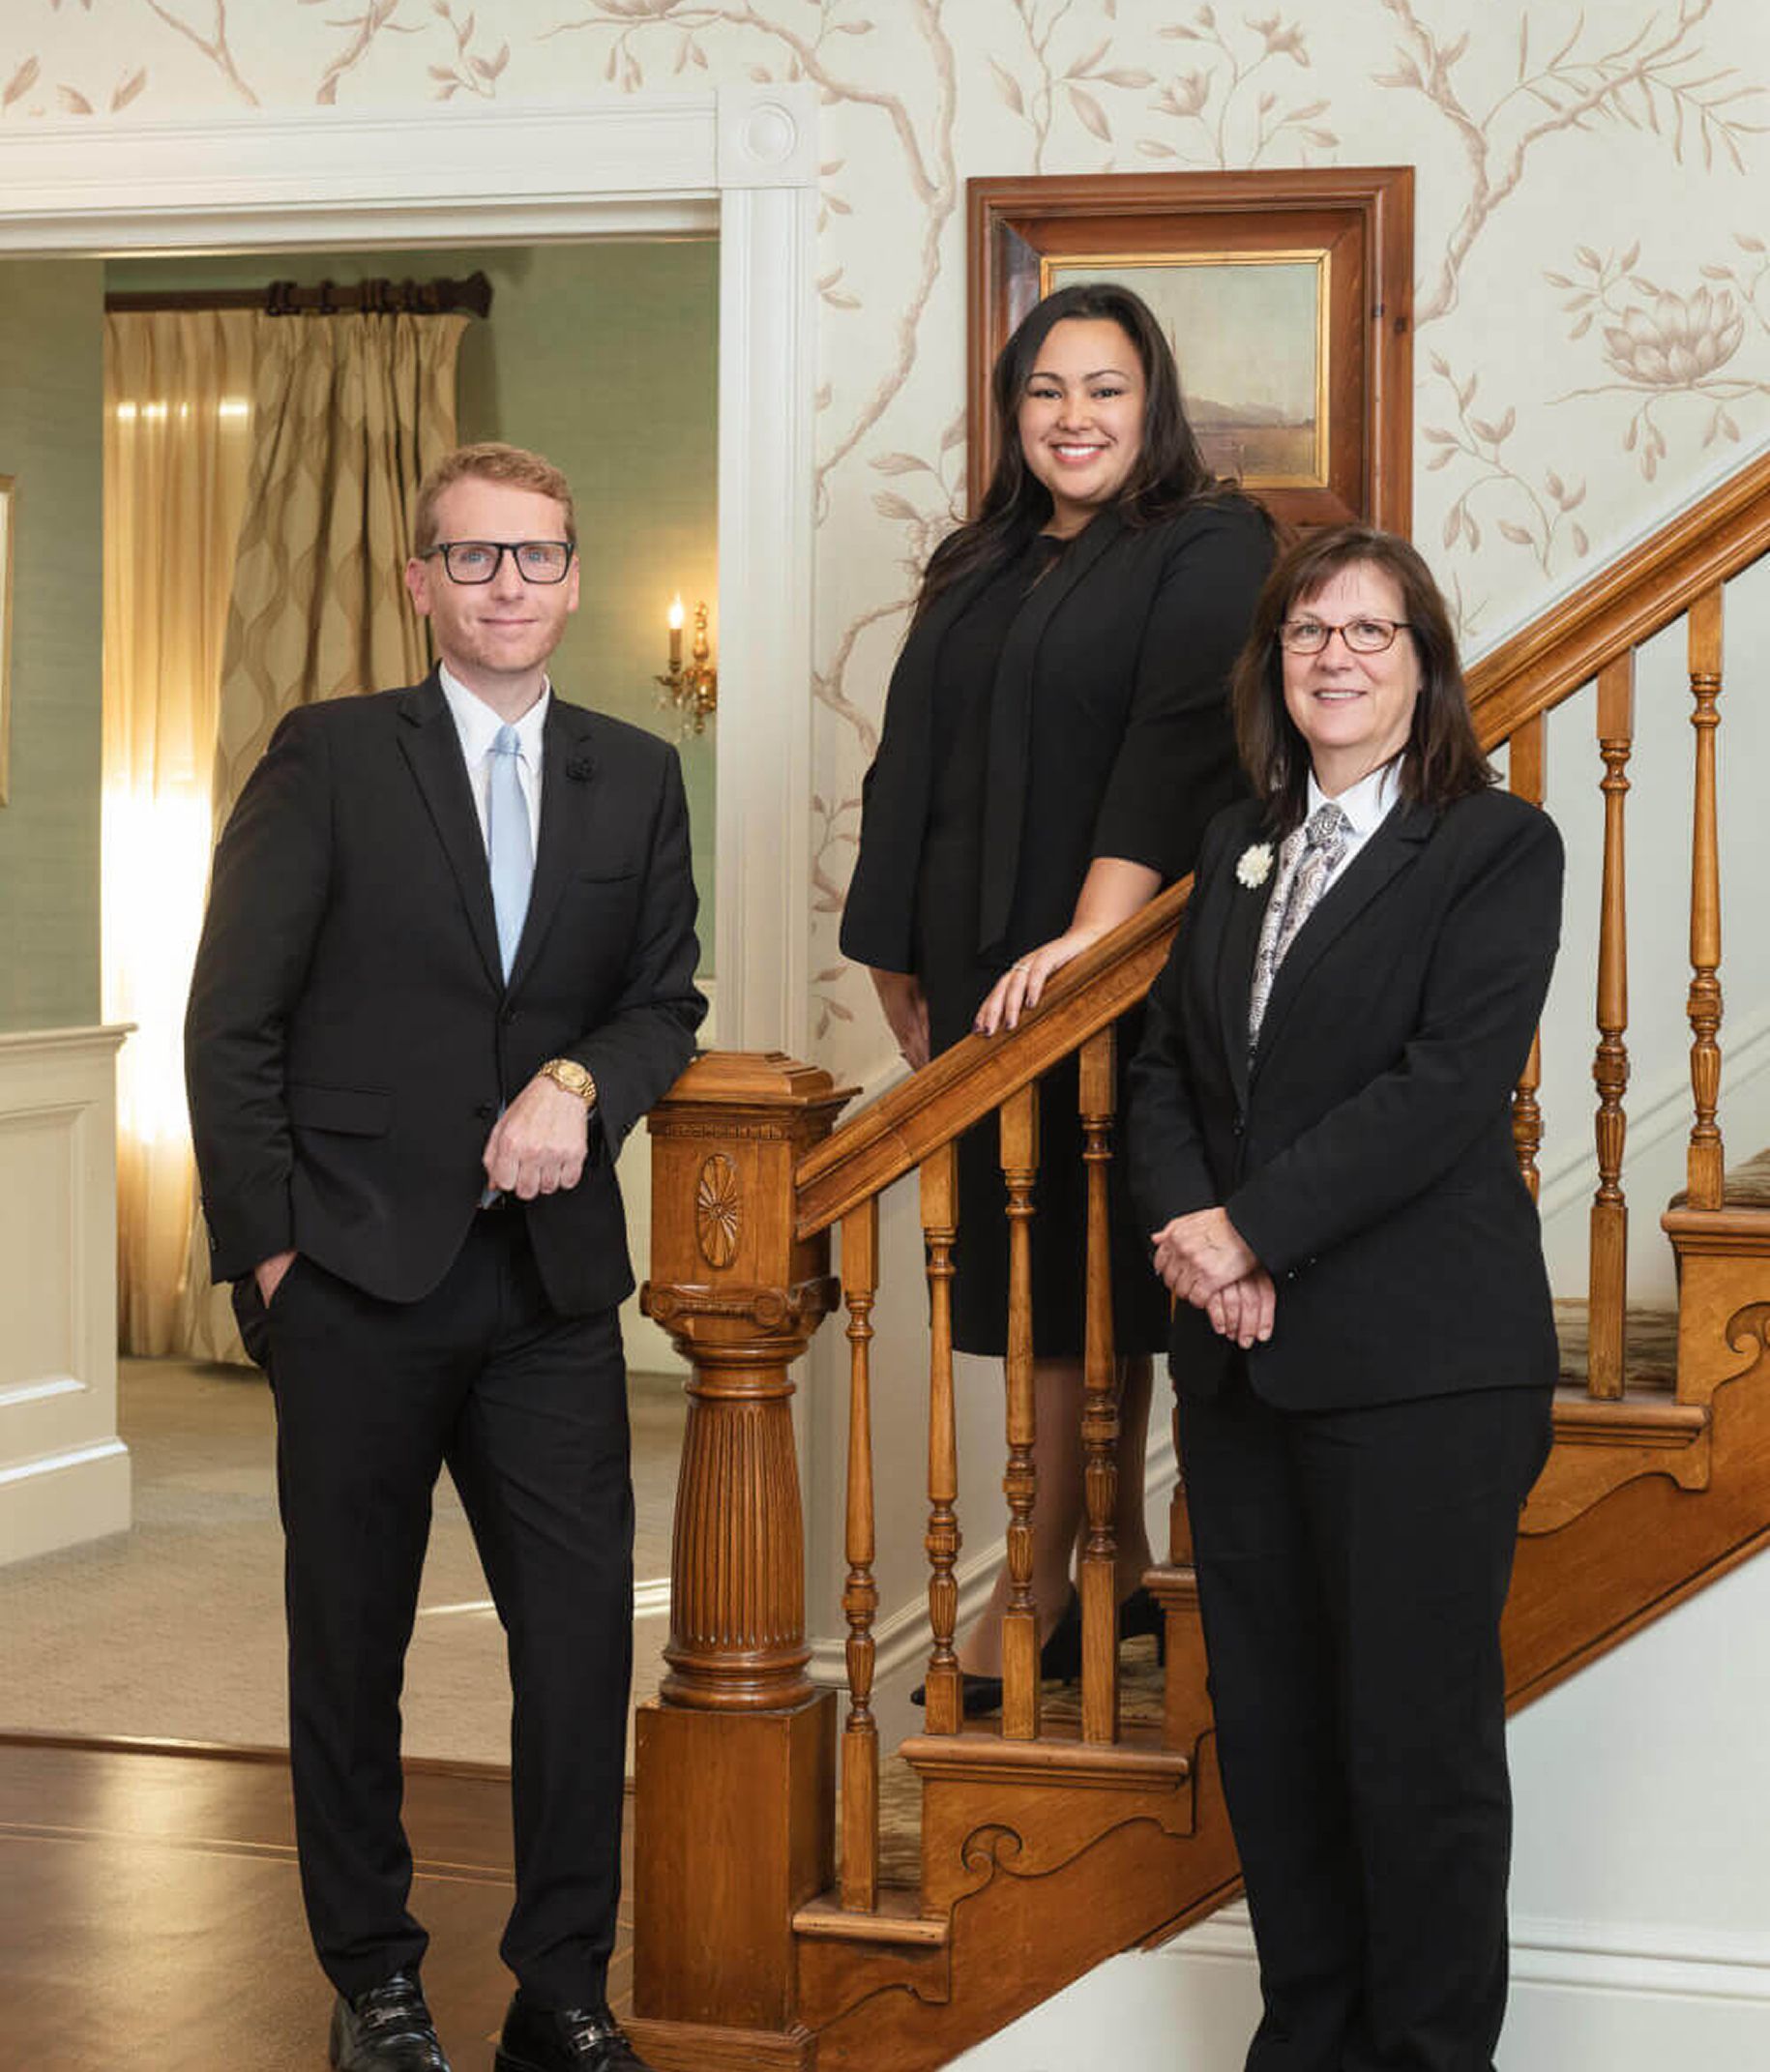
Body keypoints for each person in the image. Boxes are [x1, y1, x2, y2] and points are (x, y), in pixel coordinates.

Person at [185, 442, 703, 2072]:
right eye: (472, 559)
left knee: (574, 1642)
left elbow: (661, 1001)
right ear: (420, 582)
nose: (507, 586)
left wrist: (578, 1082)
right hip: (349, 1277)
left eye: (537, 557)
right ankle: (375, 1979)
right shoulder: (331, 756)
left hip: (547, 1291)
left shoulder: (635, 772)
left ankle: (561, 1984)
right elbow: (232, 1022)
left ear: (573, 577)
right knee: (352, 1639)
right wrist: (268, 1262)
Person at [1127, 523, 1563, 2070]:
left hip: (1422, 1368)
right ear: (1275, 663)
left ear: (1423, 664)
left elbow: (1442, 1089)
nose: (1336, 656)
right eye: (1309, 630)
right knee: (1277, 1743)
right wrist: (1194, 1231)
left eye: (1371, 632)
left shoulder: (1494, 846)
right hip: (1241, 1366)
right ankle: (1303, 2044)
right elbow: (1171, 1064)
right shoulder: (1235, 840)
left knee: (1412, 1753)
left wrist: (1247, 1230)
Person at [841, 281, 1272, 1710]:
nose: (1071, 416)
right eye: (1044, 390)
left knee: (1081, 1271)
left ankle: (1047, 1575)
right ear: (1012, 412)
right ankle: (1118, 1561)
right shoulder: (983, 555)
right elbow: (908, 756)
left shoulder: (1207, 540)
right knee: (1027, 1273)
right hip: (975, 978)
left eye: (1101, 388)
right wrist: (897, 960)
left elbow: (1173, 745)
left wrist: (1086, 945)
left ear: (1151, 404)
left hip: (1106, 973)